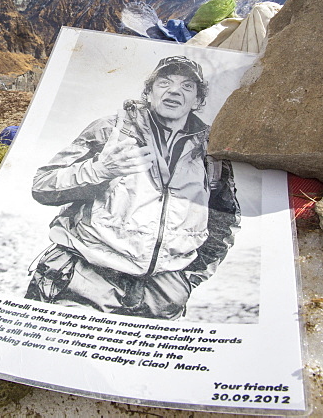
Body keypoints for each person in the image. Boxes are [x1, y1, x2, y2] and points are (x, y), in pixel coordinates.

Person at [26, 55, 240, 320]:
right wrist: (99, 171)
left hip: (161, 297)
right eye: (164, 82)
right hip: (86, 280)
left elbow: (224, 221)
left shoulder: (210, 150)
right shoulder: (110, 129)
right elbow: (43, 185)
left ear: (197, 101)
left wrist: (186, 280)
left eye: (187, 86)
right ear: (148, 93)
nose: (174, 90)